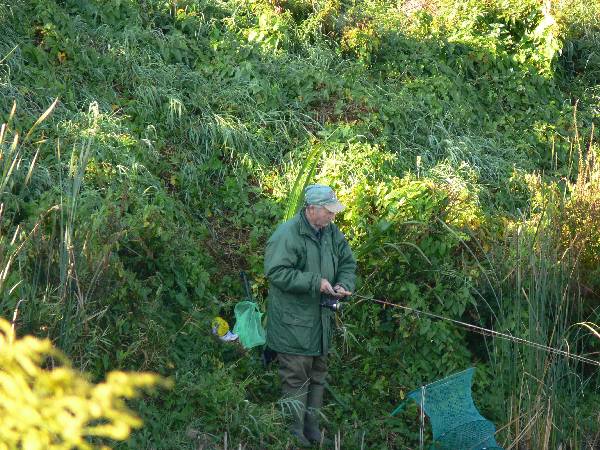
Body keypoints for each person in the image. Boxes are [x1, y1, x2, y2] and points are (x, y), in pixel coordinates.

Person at [264, 184, 357, 447]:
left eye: (334, 211)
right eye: (329, 211)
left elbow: (348, 263)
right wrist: (315, 282)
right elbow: (276, 272)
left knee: (318, 375)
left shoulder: (331, 232)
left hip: (320, 323)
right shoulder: (288, 234)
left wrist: (343, 284)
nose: (333, 216)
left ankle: (312, 430)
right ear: (312, 209)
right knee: (296, 378)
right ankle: (293, 435)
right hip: (293, 325)